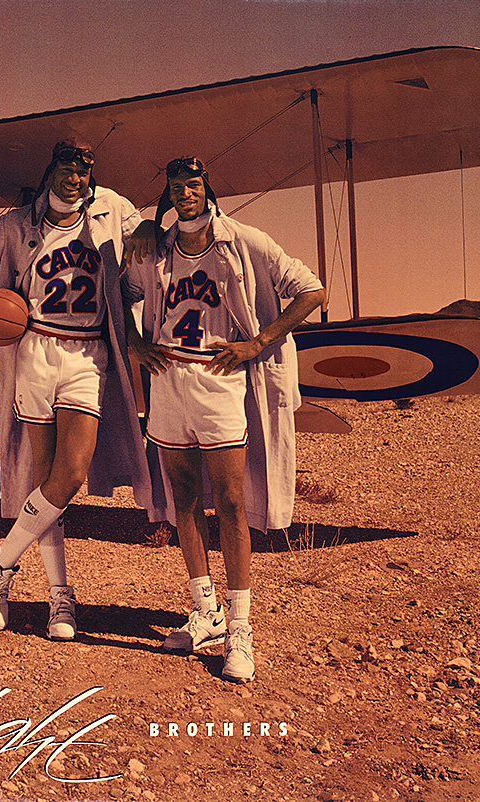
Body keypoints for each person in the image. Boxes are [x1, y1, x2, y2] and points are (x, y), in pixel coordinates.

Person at [123, 157, 325, 682]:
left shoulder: (246, 241)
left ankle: (241, 628)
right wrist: (133, 341)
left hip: (219, 380)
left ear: (208, 188)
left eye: (193, 184)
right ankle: (205, 610)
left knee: (231, 502)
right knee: (182, 501)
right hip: (168, 378)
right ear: (167, 196)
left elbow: (313, 290)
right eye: (175, 187)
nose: (185, 193)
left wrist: (259, 341)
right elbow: (118, 296)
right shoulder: (156, 247)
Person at [0, 141, 163, 640]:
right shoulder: (12, 225)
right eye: (68, 167)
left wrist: (154, 224)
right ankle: (59, 599)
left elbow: (146, 235)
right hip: (34, 351)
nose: (77, 176)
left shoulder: (112, 208)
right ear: (51, 170)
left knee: (68, 475)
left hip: (88, 353)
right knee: (45, 479)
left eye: (85, 169)